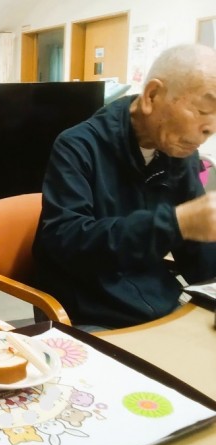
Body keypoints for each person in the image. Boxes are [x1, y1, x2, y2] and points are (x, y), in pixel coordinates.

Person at [32, 43, 216, 330]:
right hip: (89, 309)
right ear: (152, 96)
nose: (210, 128)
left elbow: (197, 255)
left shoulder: (179, 152)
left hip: (156, 304)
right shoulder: (78, 145)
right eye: (203, 110)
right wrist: (176, 223)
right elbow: (65, 242)